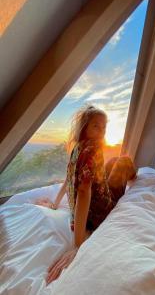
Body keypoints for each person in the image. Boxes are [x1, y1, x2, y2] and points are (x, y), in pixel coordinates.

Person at [36, 105, 137, 285]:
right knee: (124, 161)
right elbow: (83, 191)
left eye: (104, 127)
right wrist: (78, 245)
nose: (101, 131)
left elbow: (68, 178)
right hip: (101, 211)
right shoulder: (93, 149)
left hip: (84, 212)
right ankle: (135, 177)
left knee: (113, 160)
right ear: (85, 127)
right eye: (96, 126)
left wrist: (55, 203)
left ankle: (128, 173)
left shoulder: (77, 148)